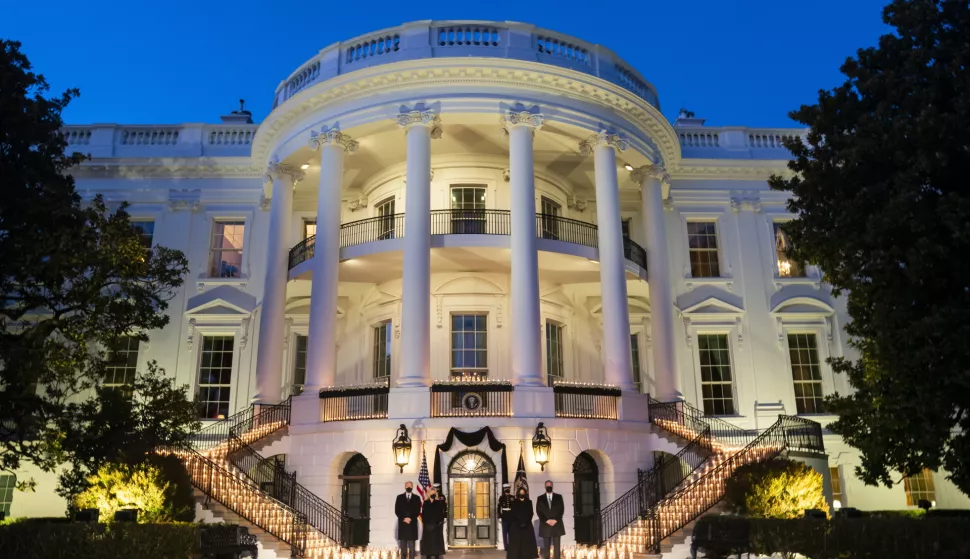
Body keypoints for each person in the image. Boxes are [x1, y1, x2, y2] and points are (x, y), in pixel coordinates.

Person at [535, 481, 564, 559]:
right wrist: (547, 520)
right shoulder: (540, 498)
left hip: (557, 524)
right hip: (545, 525)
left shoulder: (559, 497)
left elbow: (561, 510)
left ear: (552, 486)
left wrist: (555, 520)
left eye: (550, 485)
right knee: (546, 547)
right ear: (545, 486)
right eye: (547, 486)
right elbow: (539, 511)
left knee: (557, 546)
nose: (548, 487)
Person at [507, 487, 538, 559]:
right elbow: (513, 513)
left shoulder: (529, 502)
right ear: (518, 493)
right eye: (520, 493)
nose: (522, 494)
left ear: (525, 493)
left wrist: (525, 522)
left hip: (527, 525)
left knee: (526, 543)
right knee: (517, 543)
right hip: (516, 525)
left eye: (523, 492)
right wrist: (519, 522)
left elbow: (531, 513)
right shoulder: (514, 502)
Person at [396, 481, 421, 559]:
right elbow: (397, 510)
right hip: (403, 524)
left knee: (412, 547)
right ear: (405, 487)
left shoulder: (417, 498)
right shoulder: (399, 497)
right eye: (407, 486)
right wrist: (404, 518)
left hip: (412, 525)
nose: (409, 487)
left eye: (410, 486)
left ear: (412, 487)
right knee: (403, 547)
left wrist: (410, 518)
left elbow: (418, 511)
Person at [421, 485, 446, 559]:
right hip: (428, 527)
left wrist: (437, 523)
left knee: (436, 544)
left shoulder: (439, 502)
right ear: (428, 493)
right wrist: (427, 524)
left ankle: (436, 556)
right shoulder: (425, 503)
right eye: (431, 492)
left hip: (436, 527)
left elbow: (441, 515)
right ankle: (428, 556)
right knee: (428, 543)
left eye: (434, 492)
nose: (433, 494)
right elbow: (424, 515)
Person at [498, 483, 514, 549]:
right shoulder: (501, 497)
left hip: (511, 516)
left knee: (511, 533)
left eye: (508, 488)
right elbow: (499, 507)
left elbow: (515, 507)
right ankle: (506, 547)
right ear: (504, 489)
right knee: (504, 533)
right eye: (506, 488)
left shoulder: (512, 497)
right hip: (504, 516)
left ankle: (511, 546)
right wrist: (499, 516)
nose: (507, 489)